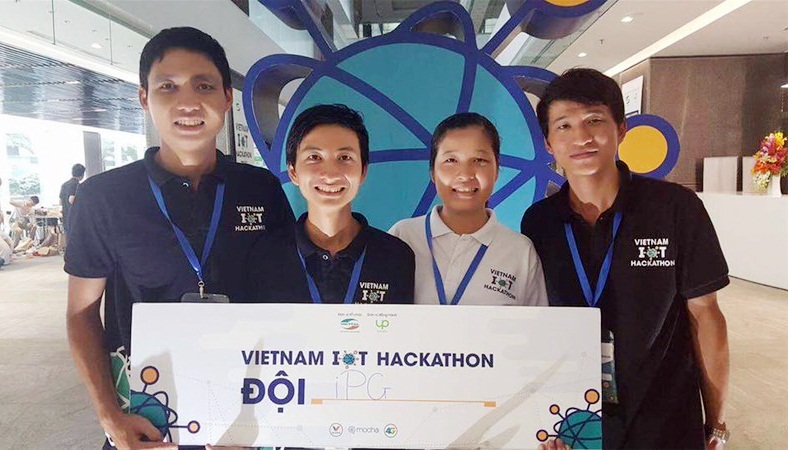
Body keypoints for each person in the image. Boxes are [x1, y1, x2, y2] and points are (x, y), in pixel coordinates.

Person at [65, 27, 295, 450]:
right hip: (147, 420)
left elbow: (284, 300)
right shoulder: (104, 197)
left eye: (203, 86)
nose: (187, 102)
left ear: (226, 97)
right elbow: (81, 313)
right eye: (167, 86)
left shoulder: (260, 189)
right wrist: (109, 416)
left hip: (244, 415)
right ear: (144, 98)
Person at [521, 68, 730, 450]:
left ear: (621, 129)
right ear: (549, 144)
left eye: (594, 121)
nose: (581, 137)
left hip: (664, 421)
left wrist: (716, 421)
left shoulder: (675, 208)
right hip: (574, 421)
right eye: (564, 126)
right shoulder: (539, 222)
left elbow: (705, 315)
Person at [247, 104, 415, 305]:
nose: (330, 174)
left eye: (344, 158)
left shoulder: (396, 256)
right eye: (314, 157)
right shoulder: (264, 255)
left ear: (363, 171)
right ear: (293, 172)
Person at [389, 112, 547, 307]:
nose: (465, 174)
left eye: (479, 160)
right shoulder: (402, 237)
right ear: (432, 172)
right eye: (451, 160)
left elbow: (537, 325)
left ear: (497, 170)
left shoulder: (520, 251)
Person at [59, 163, 86, 235]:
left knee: (69, 237)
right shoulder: (76, 185)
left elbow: (60, 201)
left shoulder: (64, 185)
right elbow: (71, 199)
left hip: (66, 217)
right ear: (82, 174)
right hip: (75, 218)